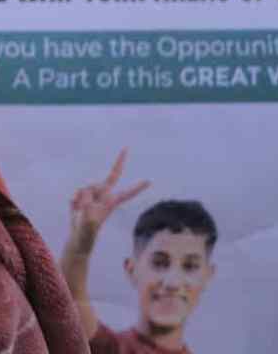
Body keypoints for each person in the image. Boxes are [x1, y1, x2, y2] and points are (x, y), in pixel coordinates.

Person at [60, 150, 218, 354]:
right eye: (159, 263)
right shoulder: (109, 348)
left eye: (190, 266)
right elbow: (68, 299)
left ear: (207, 275)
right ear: (131, 269)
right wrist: (83, 238)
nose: (171, 282)